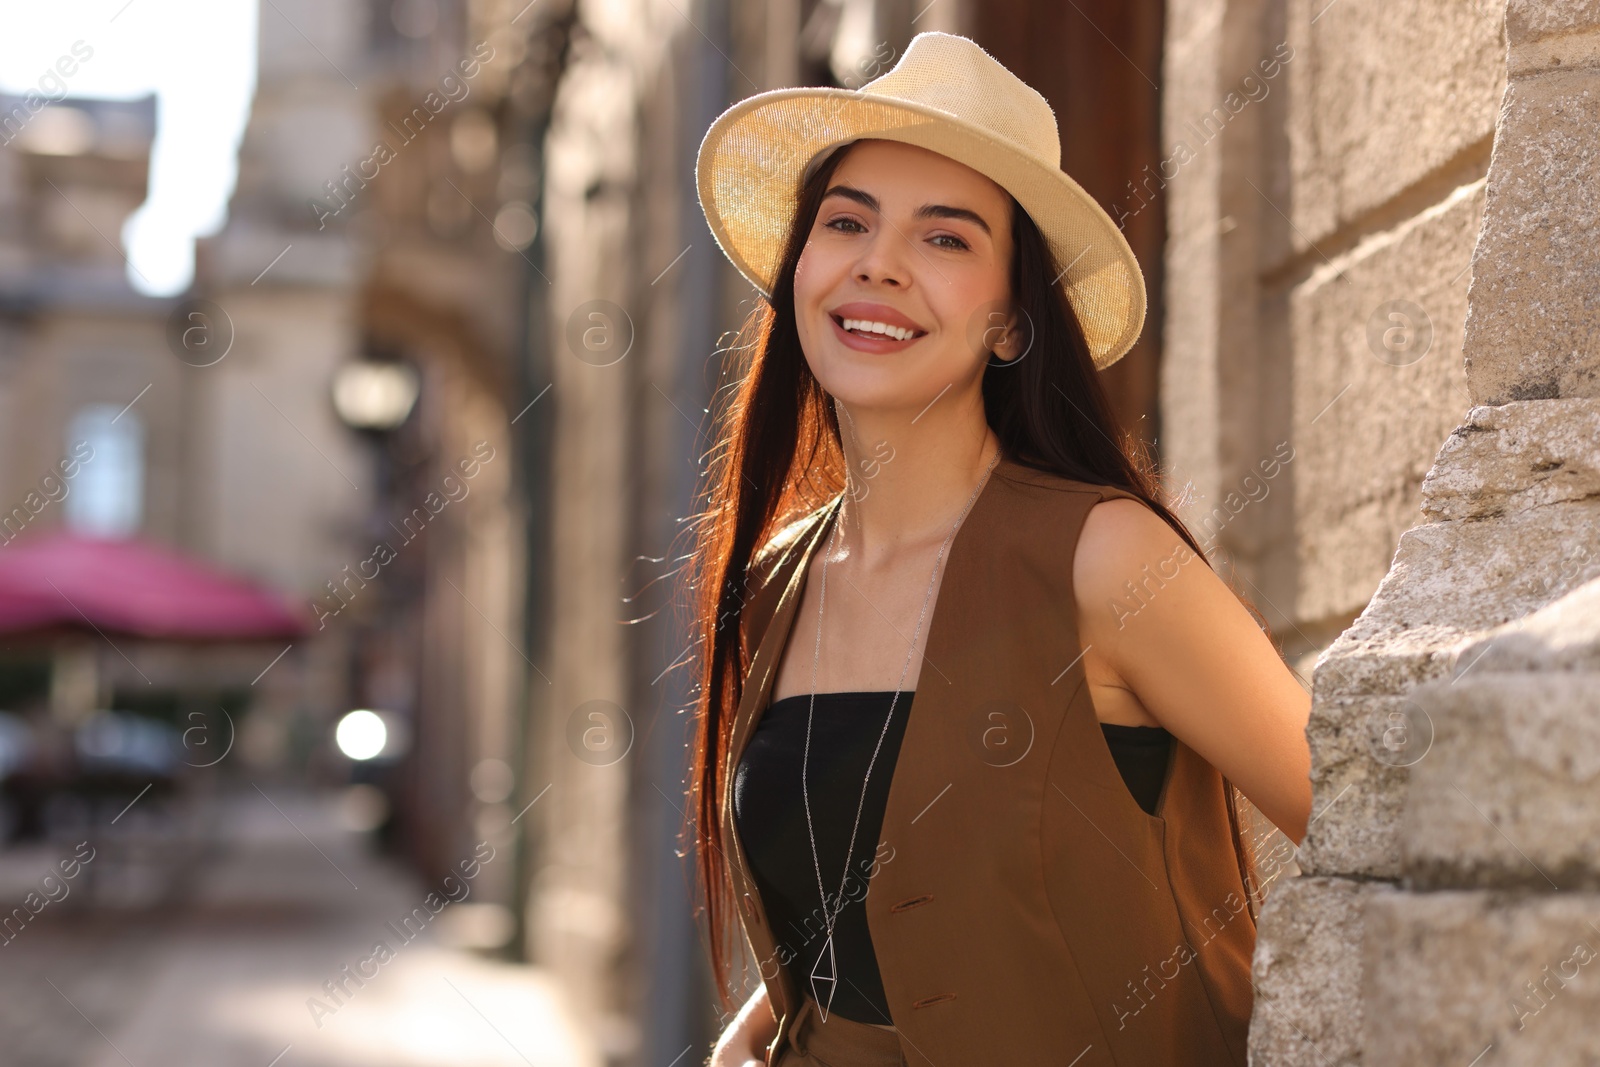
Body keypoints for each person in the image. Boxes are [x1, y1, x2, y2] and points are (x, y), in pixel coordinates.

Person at [685, 31, 1312, 1067]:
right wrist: (776, 1014)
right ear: (801, 270)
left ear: (1012, 319)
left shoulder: (1105, 559)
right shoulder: (777, 581)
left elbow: (1359, 813)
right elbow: (864, 885)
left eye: (945, 239)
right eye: (847, 223)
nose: (877, 263)